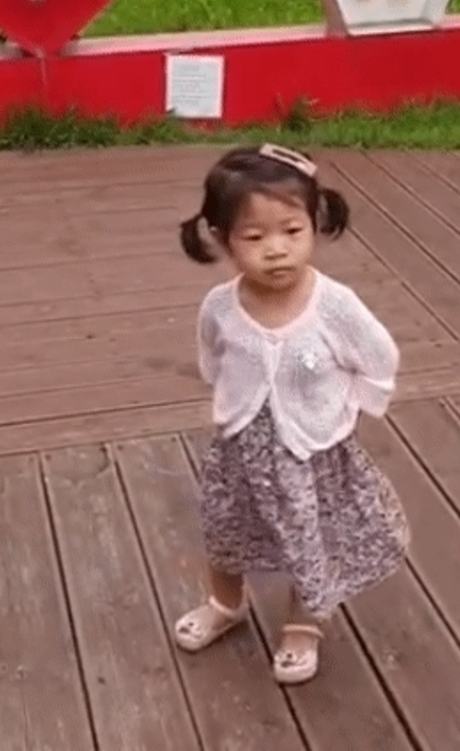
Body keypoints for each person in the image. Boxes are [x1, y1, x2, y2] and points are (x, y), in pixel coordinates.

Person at [173, 143, 409, 685]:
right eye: (254, 237)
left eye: (292, 231)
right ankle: (226, 602)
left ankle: (305, 622)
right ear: (222, 239)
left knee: (310, 536)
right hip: (240, 450)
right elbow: (213, 357)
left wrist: (349, 408)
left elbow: (378, 357)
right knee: (225, 528)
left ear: (315, 224)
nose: (276, 250)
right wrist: (230, 404)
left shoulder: (334, 306)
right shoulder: (220, 306)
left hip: (311, 452)